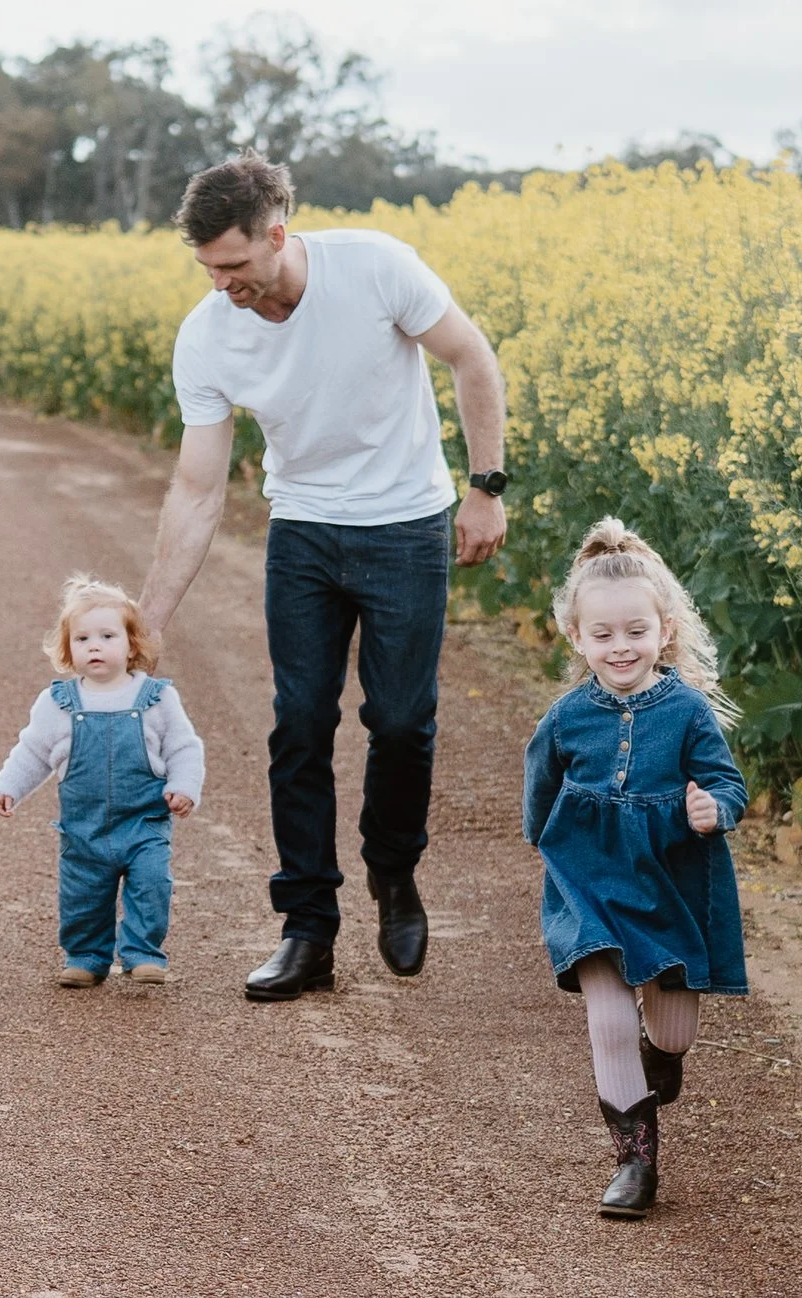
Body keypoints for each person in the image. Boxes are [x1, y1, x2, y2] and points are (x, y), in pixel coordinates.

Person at [137, 154, 508, 1001]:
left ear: (278, 234)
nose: (222, 282)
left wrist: (486, 490)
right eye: (207, 268)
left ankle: (393, 873)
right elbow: (197, 488)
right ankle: (308, 930)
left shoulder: (375, 266)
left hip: (406, 523)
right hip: (303, 531)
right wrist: (148, 621)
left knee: (404, 720)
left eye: (234, 263)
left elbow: (472, 359)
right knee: (299, 724)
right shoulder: (207, 333)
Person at [522, 519, 748, 1219]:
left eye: (635, 632)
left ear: (665, 629)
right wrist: (561, 861)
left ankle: (661, 1056)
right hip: (589, 882)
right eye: (604, 635)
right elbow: (539, 804)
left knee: (672, 1031)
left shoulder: (685, 711)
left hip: (671, 881)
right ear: (577, 638)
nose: (620, 647)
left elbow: (727, 784)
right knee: (609, 1017)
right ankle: (634, 1166)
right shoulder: (564, 720)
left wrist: (716, 809)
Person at [0, 577, 206, 986]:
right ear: (67, 649)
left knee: (151, 886)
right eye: (82, 638)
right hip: (84, 828)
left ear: (132, 645)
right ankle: (86, 956)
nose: (94, 645)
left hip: (144, 823)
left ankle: (143, 953)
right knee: (83, 897)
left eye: (107, 636)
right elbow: (33, 751)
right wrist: (9, 787)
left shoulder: (157, 698)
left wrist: (184, 785)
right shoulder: (58, 703)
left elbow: (184, 747)